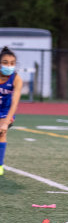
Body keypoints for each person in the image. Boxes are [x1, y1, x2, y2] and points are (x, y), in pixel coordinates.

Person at [0, 47, 23, 176]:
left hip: (5, 109)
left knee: (1, 132)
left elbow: (15, 103)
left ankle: (0, 166)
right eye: (5, 62)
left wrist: (6, 122)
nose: (9, 66)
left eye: (12, 63)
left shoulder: (16, 79)